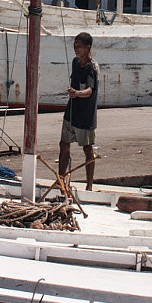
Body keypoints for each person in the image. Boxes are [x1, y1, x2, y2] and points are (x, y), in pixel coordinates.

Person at [58, 32, 99, 192]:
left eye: (79, 47)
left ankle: (89, 186)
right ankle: (62, 182)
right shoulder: (75, 62)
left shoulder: (92, 67)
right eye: (75, 47)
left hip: (86, 116)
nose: (76, 50)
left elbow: (89, 90)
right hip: (71, 112)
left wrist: (77, 93)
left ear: (87, 47)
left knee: (88, 150)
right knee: (63, 145)